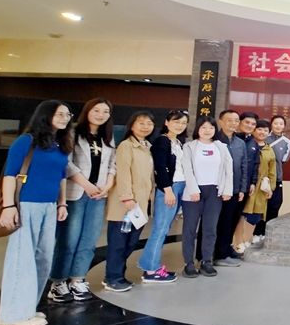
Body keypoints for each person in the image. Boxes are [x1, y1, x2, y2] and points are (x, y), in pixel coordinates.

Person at [0, 100, 72, 325]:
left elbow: (61, 177)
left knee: (42, 259)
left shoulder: (59, 144)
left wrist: (62, 203)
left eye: (67, 114)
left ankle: (26, 308)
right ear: (45, 115)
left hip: (49, 206)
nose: (64, 118)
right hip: (27, 204)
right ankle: (12, 315)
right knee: (22, 259)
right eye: (59, 114)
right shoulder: (26, 141)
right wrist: (9, 206)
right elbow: (10, 175)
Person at [48, 98, 116, 303]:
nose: (101, 115)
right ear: (87, 111)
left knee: (89, 240)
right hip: (75, 193)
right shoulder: (72, 133)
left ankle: (78, 279)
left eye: (105, 111)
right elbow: (66, 164)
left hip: (99, 194)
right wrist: (87, 185)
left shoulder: (108, 136)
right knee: (68, 240)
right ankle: (58, 282)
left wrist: (107, 185)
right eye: (96, 110)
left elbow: (112, 164)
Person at [103, 111, 155, 293]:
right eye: (141, 123)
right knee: (118, 242)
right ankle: (112, 277)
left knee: (130, 242)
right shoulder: (126, 146)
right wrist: (127, 197)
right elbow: (123, 173)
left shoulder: (146, 147)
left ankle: (119, 274)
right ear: (132, 126)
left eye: (149, 124)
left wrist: (150, 194)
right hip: (125, 204)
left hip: (140, 204)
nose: (145, 127)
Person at [138, 110, 188, 284]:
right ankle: (151, 269)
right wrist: (167, 190)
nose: (180, 125)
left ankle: (151, 265)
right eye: (176, 122)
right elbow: (160, 167)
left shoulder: (178, 142)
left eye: (183, 123)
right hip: (169, 188)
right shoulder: (162, 141)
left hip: (179, 186)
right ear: (167, 122)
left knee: (164, 228)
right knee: (160, 229)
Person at [181, 116, 234, 278]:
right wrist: (193, 189)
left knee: (210, 229)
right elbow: (187, 169)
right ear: (197, 129)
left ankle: (206, 261)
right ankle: (189, 263)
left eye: (211, 127)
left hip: (214, 192)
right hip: (193, 192)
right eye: (203, 127)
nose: (207, 130)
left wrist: (227, 190)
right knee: (189, 229)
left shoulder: (221, 147)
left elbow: (228, 169)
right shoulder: (189, 147)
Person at [211, 110, 247, 267]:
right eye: (229, 120)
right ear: (220, 121)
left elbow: (244, 167)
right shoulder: (213, 140)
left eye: (236, 120)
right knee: (217, 222)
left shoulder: (240, 143)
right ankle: (215, 254)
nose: (233, 123)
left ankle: (223, 250)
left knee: (230, 221)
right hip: (217, 189)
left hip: (235, 189)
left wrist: (242, 189)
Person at [236, 120, 274, 252]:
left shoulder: (269, 150)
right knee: (242, 214)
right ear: (254, 130)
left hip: (261, 189)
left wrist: (271, 188)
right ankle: (238, 243)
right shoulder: (246, 144)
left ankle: (247, 241)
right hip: (247, 185)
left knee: (255, 216)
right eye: (259, 129)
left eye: (265, 130)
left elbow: (272, 170)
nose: (262, 132)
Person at [253, 115, 290, 243]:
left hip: (276, 178)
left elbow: (284, 160)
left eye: (281, 124)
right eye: (276, 123)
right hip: (260, 178)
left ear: (284, 126)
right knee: (260, 205)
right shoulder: (264, 137)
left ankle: (268, 232)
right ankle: (257, 232)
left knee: (275, 205)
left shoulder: (286, 142)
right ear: (271, 125)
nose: (278, 126)